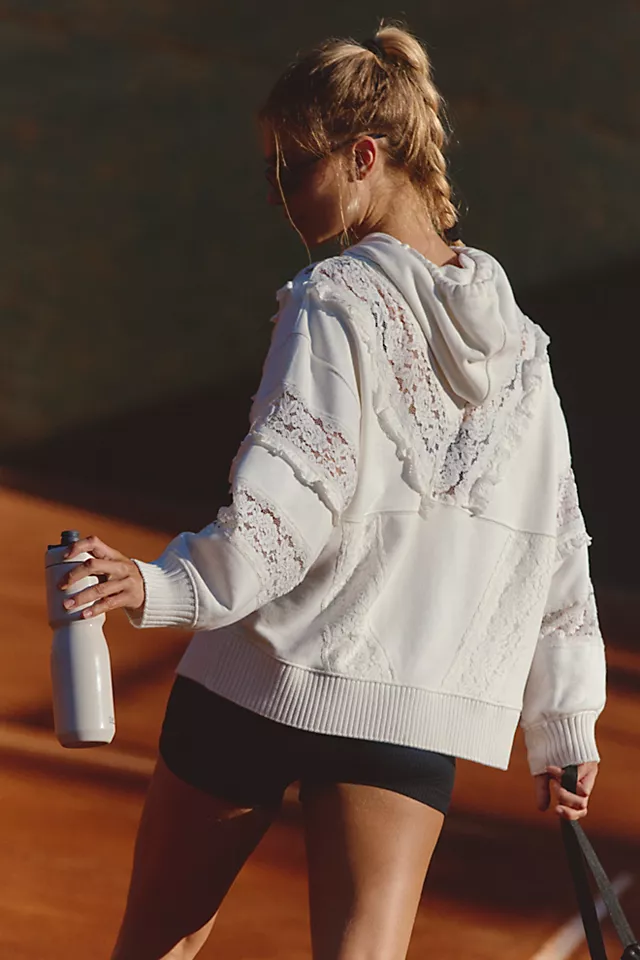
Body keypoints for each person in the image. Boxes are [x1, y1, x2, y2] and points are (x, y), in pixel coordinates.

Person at [59, 23, 606, 960]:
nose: (276, 191)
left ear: (364, 157)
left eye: (293, 166)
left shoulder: (332, 298)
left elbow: (285, 512)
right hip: (406, 715)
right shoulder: (526, 350)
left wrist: (163, 585)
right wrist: (563, 725)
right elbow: (556, 553)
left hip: (256, 679)